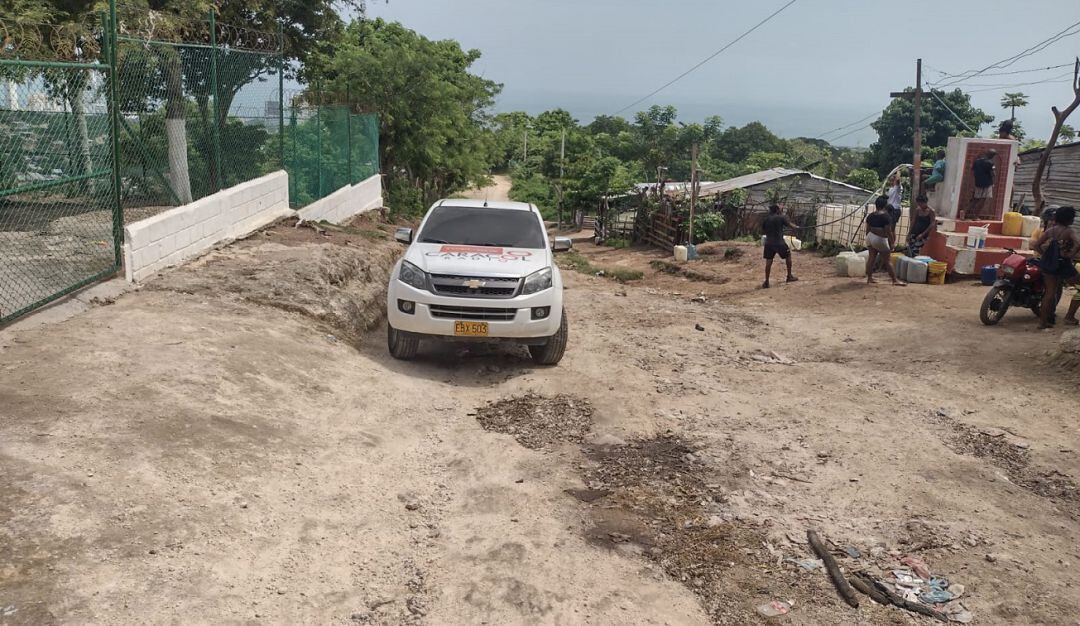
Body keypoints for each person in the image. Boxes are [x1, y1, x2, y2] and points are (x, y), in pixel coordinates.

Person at [1034, 206, 1079, 329]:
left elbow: (1037, 245)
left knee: (1049, 294)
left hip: (1049, 266)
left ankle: (1042, 323)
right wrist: (1071, 254)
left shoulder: (1050, 231)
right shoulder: (1069, 231)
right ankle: (1070, 316)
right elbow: (1078, 243)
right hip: (1064, 264)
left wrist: (1046, 256)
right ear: (1070, 219)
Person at [865, 196, 905, 286]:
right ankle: (895, 280)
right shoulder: (886, 216)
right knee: (887, 260)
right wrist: (892, 243)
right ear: (885, 205)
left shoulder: (870, 215)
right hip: (880, 239)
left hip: (870, 237)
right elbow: (888, 232)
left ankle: (869, 278)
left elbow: (867, 230)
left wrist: (870, 237)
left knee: (871, 259)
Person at [761, 204, 798, 289]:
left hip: (768, 243)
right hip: (779, 242)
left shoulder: (766, 219)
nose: (782, 209)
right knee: (788, 256)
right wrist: (796, 227)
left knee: (768, 262)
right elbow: (791, 225)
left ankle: (766, 281)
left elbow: (763, 229)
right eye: (781, 208)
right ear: (777, 210)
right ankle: (789, 276)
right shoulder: (781, 217)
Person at [970, 150, 996, 219]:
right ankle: (976, 216)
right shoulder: (990, 163)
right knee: (983, 199)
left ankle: (968, 212)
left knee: (976, 199)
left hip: (978, 183)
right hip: (987, 184)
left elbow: (972, 171)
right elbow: (993, 174)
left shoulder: (977, 161)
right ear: (992, 156)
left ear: (986, 153)